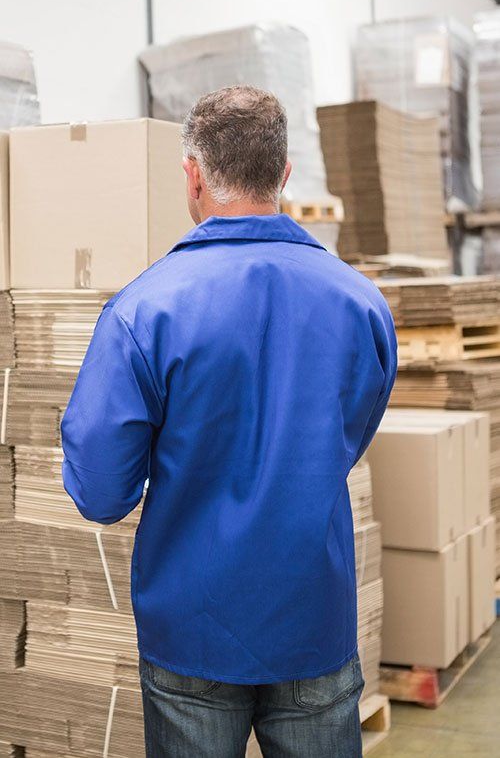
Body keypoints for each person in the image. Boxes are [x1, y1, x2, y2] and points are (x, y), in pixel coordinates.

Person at [61, 85, 397, 758]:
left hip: (193, 626)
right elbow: (350, 434)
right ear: (284, 175)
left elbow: (101, 492)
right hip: (313, 618)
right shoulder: (361, 305)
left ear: (193, 174)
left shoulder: (143, 311)